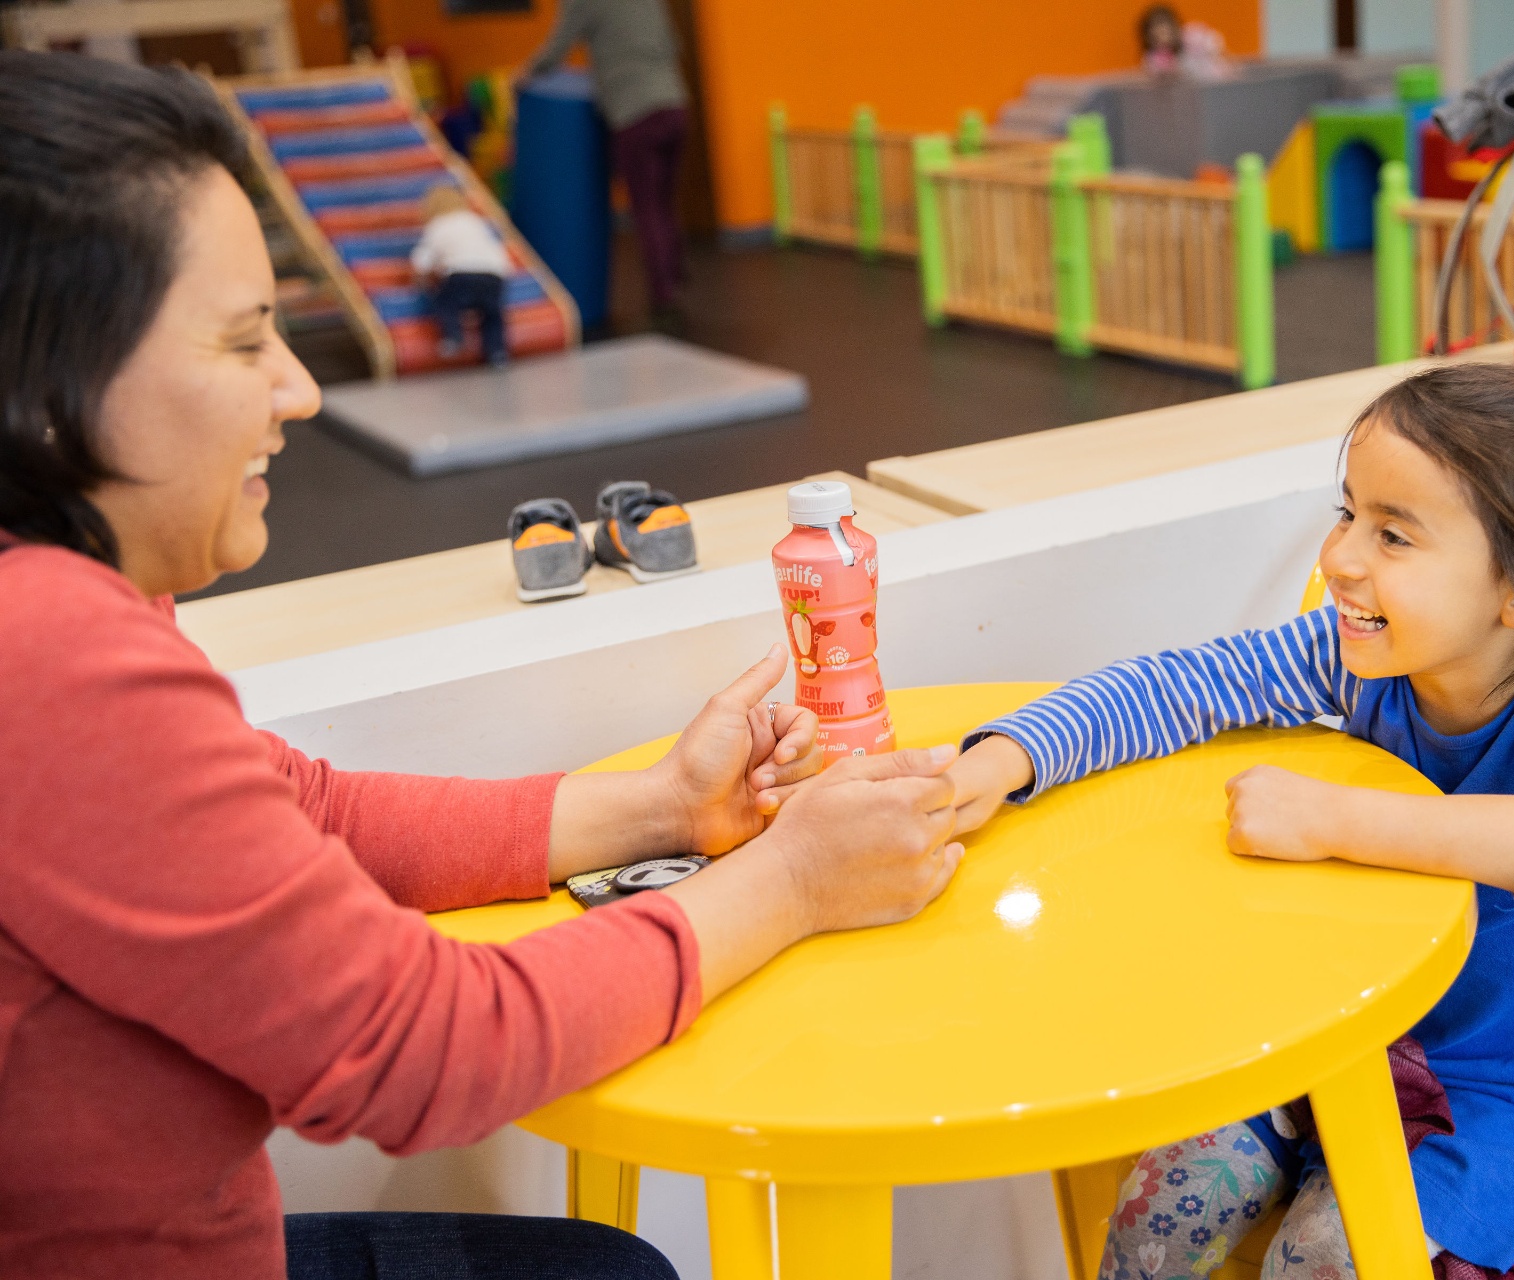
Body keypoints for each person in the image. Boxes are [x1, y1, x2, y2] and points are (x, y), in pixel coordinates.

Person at [0, 51, 965, 1279]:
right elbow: (424, 1048)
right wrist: (792, 883)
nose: (298, 388)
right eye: (246, 342)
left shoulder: (74, 599)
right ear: (42, 391)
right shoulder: (48, 659)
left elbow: (305, 810)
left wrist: (665, 807)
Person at [945, 364, 1514, 1276]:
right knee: (1153, 1229)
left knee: (1320, 1259)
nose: (1337, 559)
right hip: (1335, 1039)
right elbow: (1179, 686)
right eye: (1349, 513)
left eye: (1393, 535)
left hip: (1510, 1093)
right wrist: (1001, 760)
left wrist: (1342, 820)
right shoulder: (1360, 653)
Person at [522, 0, 690, 312]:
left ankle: (663, 292)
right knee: (664, 199)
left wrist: (523, 76)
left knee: (647, 206)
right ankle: (674, 270)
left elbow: (556, 47)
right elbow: (672, 44)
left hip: (635, 113)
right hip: (675, 104)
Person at [411, 184, 512, 366]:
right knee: (492, 314)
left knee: (446, 303)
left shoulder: (438, 224)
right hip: (494, 273)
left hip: (462, 272)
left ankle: (454, 337)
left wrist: (420, 277)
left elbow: (424, 257)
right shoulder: (474, 220)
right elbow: (495, 247)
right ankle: (497, 352)